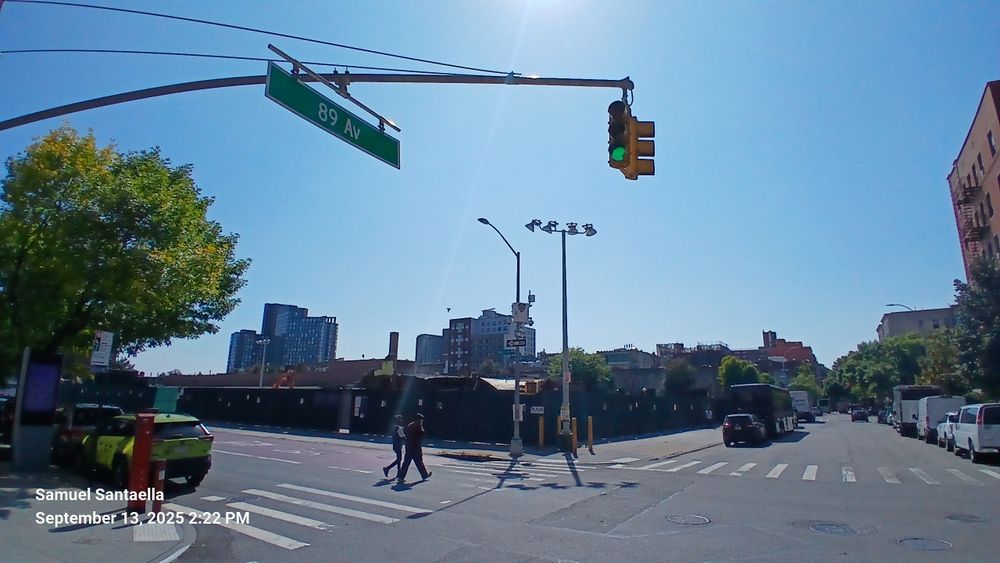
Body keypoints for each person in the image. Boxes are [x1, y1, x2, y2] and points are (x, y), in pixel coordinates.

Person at [397, 413, 431, 483]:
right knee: (419, 461)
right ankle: (424, 475)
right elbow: (421, 435)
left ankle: (401, 477)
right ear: (419, 420)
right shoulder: (418, 426)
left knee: (407, 462)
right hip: (415, 447)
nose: (422, 421)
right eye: (421, 420)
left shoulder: (410, 425)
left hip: (409, 446)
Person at [382, 414, 405, 479]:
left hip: (395, 444)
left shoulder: (394, 427)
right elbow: (402, 437)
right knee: (399, 459)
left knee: (399, 459)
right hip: (398, 445)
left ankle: (398, 473)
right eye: (401, 419)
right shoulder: (399, 428)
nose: (402, 420)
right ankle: (387, 468)